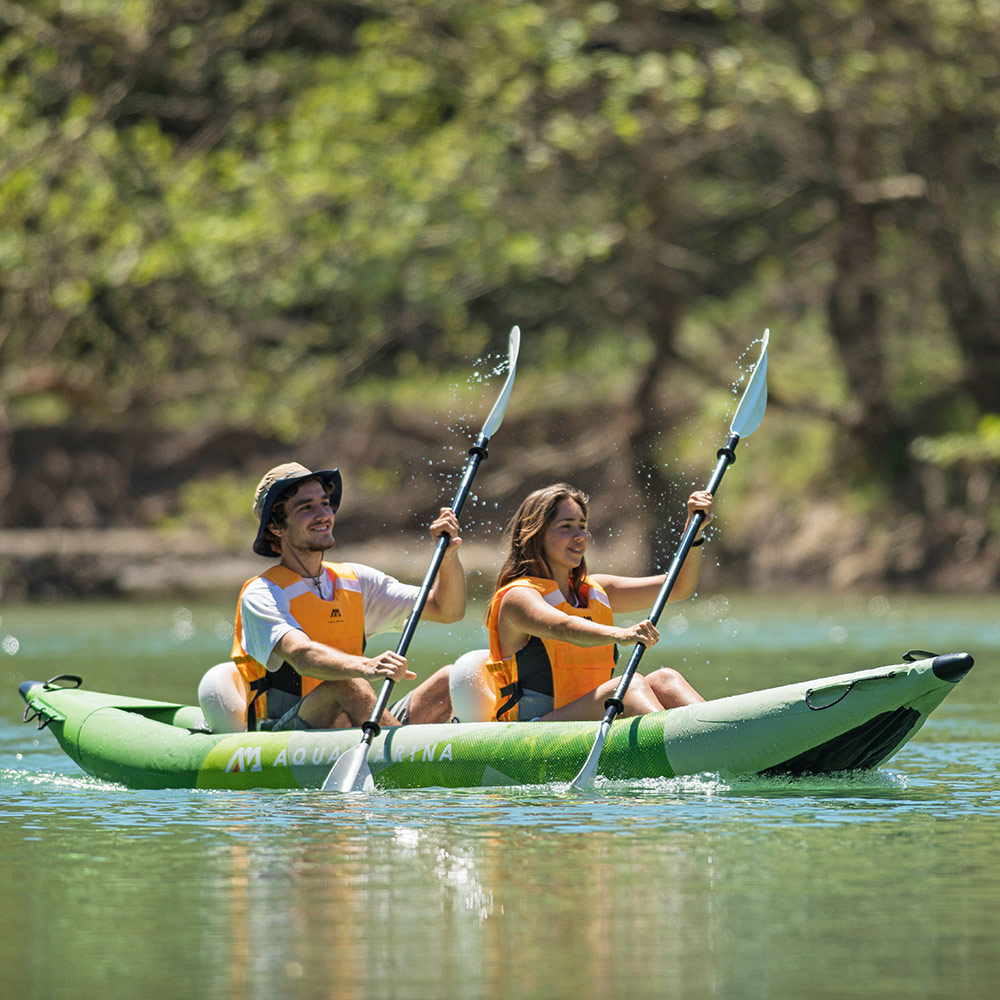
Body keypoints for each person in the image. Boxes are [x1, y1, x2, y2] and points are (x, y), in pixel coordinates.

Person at [231, 462, 464, 731]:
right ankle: (405, 766)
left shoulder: (357, 580)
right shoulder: (262, 592)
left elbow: (447, 609)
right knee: (350, 684)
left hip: (351, 723)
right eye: (306, 507)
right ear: (275, 527)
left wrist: (448, 557)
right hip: (285, 739)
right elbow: (301, 655)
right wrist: (366, 666)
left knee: (452, 679)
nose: (323, 515)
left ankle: (417, 756)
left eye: (325, 503)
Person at [481, 482, 712, 722]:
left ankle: (724, 734)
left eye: (582, 527)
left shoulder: (599, 591)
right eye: (566, 527)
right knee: (629, 687)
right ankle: (680, 746)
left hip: (587, 725)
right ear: (537, 534)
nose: (579, 536)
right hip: (531, 734)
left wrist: (693, 532)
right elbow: (563, 627)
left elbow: (678, 587)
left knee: (667, 680)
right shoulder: (518, 597)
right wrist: (621, 634)